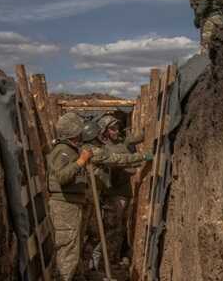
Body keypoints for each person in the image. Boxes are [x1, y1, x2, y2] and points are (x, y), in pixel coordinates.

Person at [88, 115, 148, 270]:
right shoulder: (103, 148)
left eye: (117, 128)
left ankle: (113, 259)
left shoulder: (123, 141)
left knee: (120, 226)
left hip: (124, 191)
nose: (116, 131)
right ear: (105, 131)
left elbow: (139, 137)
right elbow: (118, 161)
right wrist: (135, 162)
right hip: (112, 192)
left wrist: (148, 127)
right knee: (112, 228)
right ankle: (103, 260)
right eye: (112, 128)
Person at [47, 112, 93, 281]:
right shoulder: (63, 150)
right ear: (74, 131)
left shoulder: (70, 150)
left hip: (71, 204)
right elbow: (62, 176)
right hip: (64, 206)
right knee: (67, 251)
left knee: (73, 248)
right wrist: (81, 161)